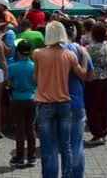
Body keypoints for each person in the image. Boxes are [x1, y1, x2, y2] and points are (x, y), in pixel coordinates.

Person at [33, 21, 87, 178]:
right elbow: (82, 74)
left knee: (48, 147)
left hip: (44, 104)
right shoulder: (69, 55)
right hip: (64, 103)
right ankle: (67, 175)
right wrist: (83, 55)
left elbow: (35, 79)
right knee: (66, 145)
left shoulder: (38, 53)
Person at [59, 18, 94, 178]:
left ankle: (66, 174)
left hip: (57, 101)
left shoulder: (51, 51)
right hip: (76, 100)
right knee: (76, 143)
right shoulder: (80, 50)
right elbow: (89, 77)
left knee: (62, 145)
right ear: (73, 31)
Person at [7, 40, 37, 168]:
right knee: (31, 127)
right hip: (32, 99)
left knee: (20, 128)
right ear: (30, 52)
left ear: (18, 52)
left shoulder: (12, 67)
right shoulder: (35, 66)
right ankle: (31, 157)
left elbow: (8, 83)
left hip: (18, 99)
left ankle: (20, 157)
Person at [85, 22, 107, 145]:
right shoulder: (106, 45)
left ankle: (97, 134)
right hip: (105, 77)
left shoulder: (89, 48)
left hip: (93, 79)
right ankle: (104, 131)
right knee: (103, 107)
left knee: (92, 108)